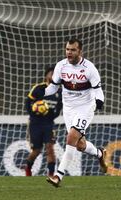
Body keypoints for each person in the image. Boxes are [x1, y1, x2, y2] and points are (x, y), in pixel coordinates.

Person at [36, 38, 108, 187]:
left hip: (85, 108)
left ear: (80, 51)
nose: (69, 52)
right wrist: (42, 92)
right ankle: (100, 153)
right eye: (67, 49)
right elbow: (54, 87)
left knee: (71, 137)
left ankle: (58, 175)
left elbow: (98, 90)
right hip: (68, 109)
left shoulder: (89, 68)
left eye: (73, 50)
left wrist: (99, 101)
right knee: (80, 145)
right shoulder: (61, 66)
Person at [25, 67, 62, 177]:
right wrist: (33, 113)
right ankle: (28, 168)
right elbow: (28, 102)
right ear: (46, 75)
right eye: (51, 73)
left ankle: (51, 174)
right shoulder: (38, 88)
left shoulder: (59, 91)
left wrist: (52, 116)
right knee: (36, 150)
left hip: (48, 124)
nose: (53, 76)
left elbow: (59, 107)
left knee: (50, 147)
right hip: (35, 123)